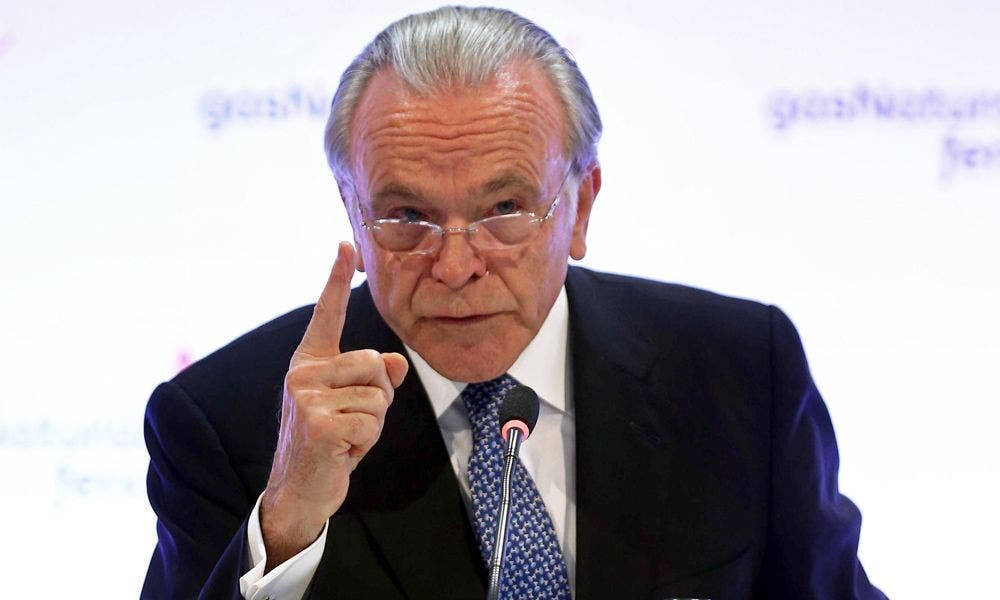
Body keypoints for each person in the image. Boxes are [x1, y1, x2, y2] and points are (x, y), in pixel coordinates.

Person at [142, 6, 886, 599]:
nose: (456, 266)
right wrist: (286, 528)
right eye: (407, 217)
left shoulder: (739, 370)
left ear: (581, 206)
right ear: (352, 211)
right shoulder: (226, 422)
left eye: (504, 209)